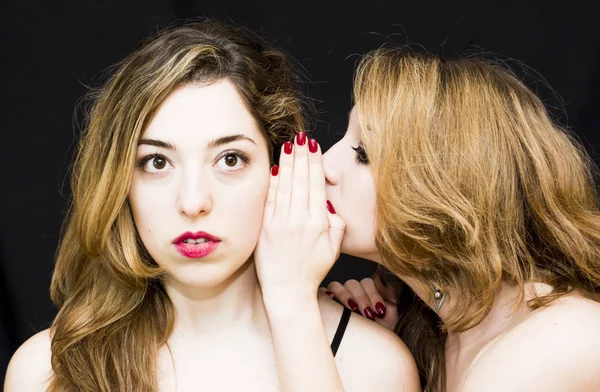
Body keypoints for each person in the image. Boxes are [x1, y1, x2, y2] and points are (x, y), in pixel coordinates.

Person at [3, 22, 419, 392]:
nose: (193, 202)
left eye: (230, 159)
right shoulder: (46, 372)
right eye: (157, 163)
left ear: (282, 167)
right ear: (120, 183)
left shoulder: (372, 368)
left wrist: (293, 306)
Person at [256, 47, 600, 392]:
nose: (326, 167)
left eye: (364, 154)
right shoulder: (448, 337)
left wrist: (292, 302)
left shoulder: (558, 343)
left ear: (451, 182)